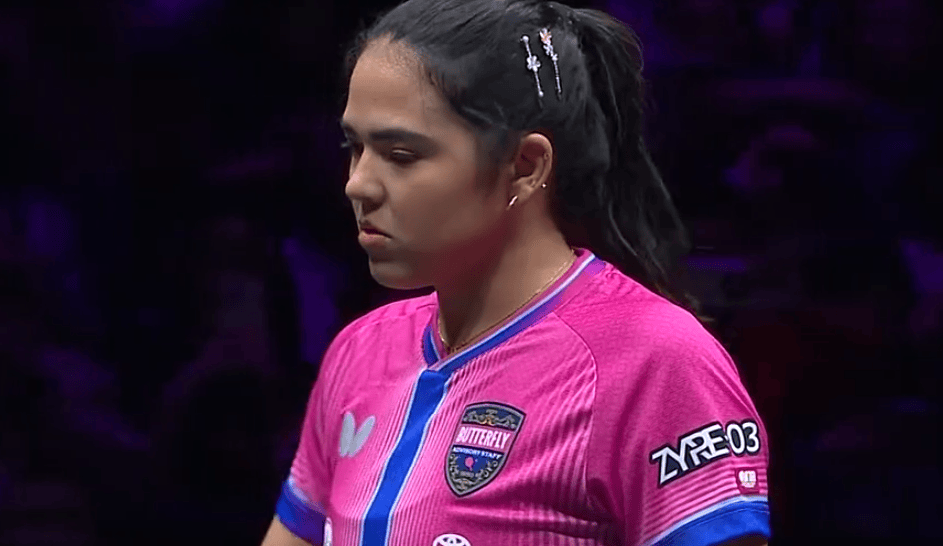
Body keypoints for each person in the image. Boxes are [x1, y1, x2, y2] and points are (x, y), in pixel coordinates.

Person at [262, 1, 770, 545]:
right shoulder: (360, 351)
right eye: (355, 147)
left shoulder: (655, 362)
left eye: (401, 154)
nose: (358, 184)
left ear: (525, 167)